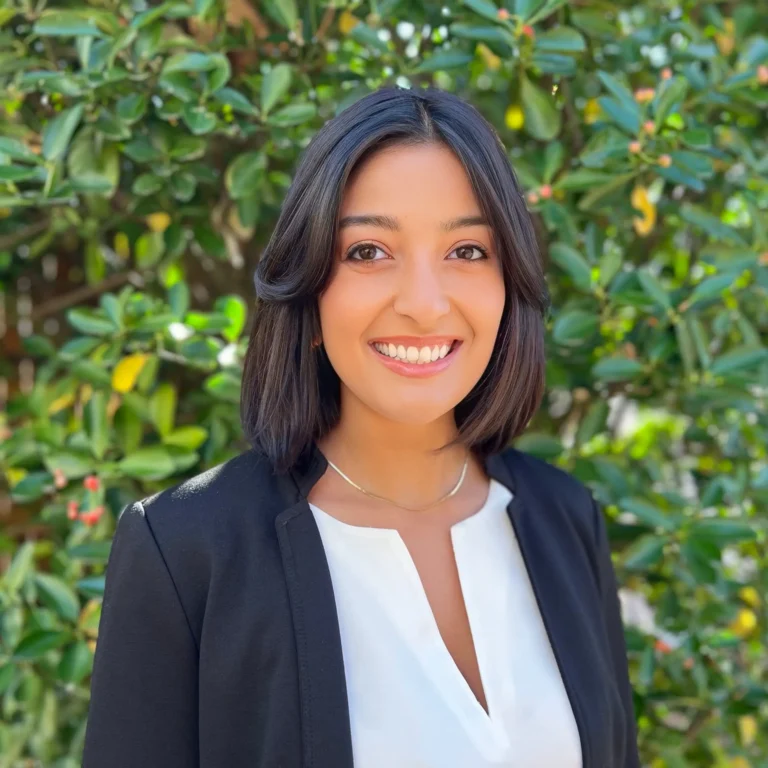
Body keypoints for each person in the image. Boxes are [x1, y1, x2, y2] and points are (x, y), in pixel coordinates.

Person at [82, 85, 640, 768]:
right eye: (369, 252)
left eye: (466, 251)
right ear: (309, 285)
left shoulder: (565, 518)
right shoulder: (186, 549)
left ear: (508, 283)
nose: (424, 305)